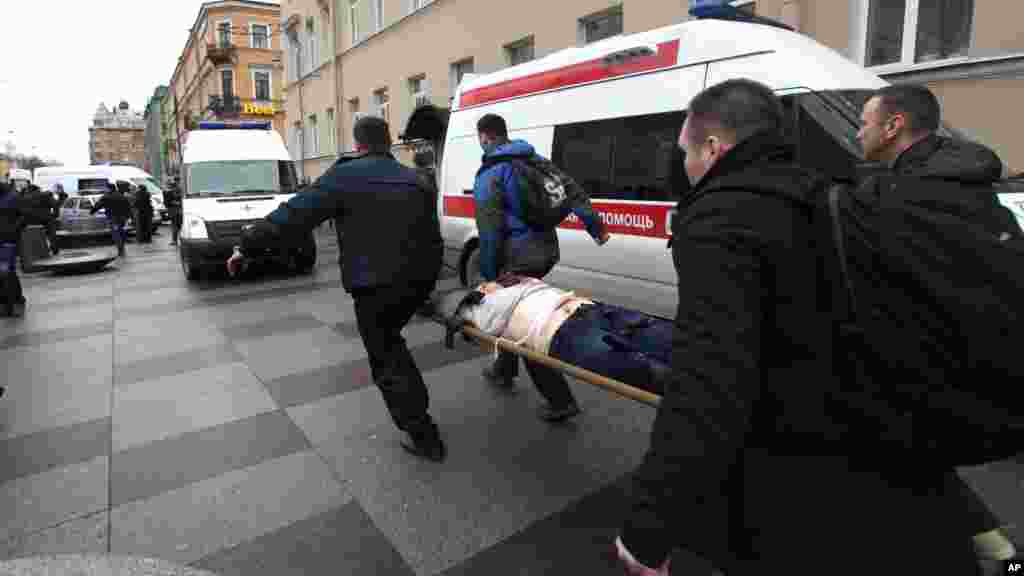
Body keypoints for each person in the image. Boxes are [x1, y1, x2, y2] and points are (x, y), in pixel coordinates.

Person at [615, 79, 991, 576]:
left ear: (712, 148)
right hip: (893, 465)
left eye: (684, 150)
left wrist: (649, 527)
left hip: (798, 490)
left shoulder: (720, 220)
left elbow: (710, 384)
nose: (680, 165)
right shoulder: (829, 193)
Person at [857, 83, 1018, 568]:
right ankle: (999, 550)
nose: (859, 130)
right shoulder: (969, 179)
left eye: (865, 121)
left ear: (893, 126)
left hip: (928, 357)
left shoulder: (898, 194)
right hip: (983, 351)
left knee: (894, 452)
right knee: (912, 457)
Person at [227, 116, 447, 462]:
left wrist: (248, 244)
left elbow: (295, 215)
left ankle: (424, 434)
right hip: (417, 281)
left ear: (358, 145)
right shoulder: (414, 178)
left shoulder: (345, 175)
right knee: (394, 340)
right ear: (388, 143)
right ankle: (419, 418)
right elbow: (433, 237)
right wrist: (428, 283)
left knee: (387, 354)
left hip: (375, 286)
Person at [472, 113, 610, 422]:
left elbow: (489, 229)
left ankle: (560, 399)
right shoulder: (537, 160)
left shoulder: (492, 173)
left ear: (485, 137)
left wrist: (491, 273)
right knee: (513, 311)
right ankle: (503, 369)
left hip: (517, 258)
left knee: (524, 323)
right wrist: (596, 228)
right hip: (545, 251)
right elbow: (573, 191)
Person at [433, 275, 672, 396]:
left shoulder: (519, 283)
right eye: (483, 286)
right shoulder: (478, 307)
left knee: (672, 341)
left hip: (586, 308)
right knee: (648, 372)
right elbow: (453, 310)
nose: (487, 285)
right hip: (560, 331)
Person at [1, 181, 51, 318]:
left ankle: (11, 303)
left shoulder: (13, 197)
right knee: (6, 272)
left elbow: (25, 216)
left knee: (6, 272)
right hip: (5, 239)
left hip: (7, 241)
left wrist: (13, 231)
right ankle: (11, 301)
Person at [91, 182, 132, 257]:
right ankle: (122, 247)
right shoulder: (121, 196)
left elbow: (98, 205)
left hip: (113, 218)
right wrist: (128, 217)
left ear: (108, 188)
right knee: (121, 232)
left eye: (106, 188)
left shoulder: (106, 196)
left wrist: (92, 212)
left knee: (116, 234)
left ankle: (121, 250)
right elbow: (128, 207)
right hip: (122, 218)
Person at [164, 177, 183, 246]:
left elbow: (167, 202)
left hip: (173, 211)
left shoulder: (169, 192)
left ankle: (175, 240)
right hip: (179, 210)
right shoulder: (180, 191)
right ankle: (178, 240)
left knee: (175, 226)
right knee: (179, 225)